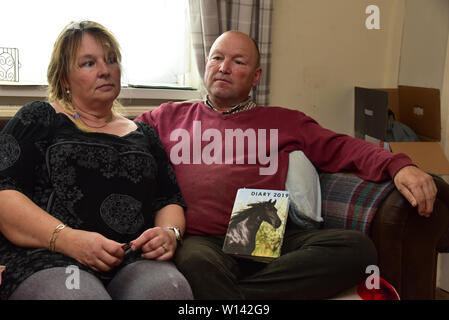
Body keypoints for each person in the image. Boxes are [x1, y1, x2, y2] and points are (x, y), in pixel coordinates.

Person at [135, 30, 438, 300]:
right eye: (217, 58)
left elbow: (342, 146)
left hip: (261, 234)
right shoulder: (167, 116)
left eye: (238, 62)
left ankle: (236, 297)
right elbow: (118, 136)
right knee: (198, 266)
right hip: (200, 238)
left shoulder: (283, 120)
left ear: (256, 76)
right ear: (207, 65)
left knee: (357, 250)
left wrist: (400, 166)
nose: (224, 68)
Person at [0, 20, 192, 300]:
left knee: (169, 291)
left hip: (131, 258)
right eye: (89, 63)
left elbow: (169, 198)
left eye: (111, 60)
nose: (105, 70)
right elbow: (4, 192)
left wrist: (169, 233)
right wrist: (70, 240)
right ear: (64, 78)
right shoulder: (38, 118)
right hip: (50, 256)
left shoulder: (145, 134)